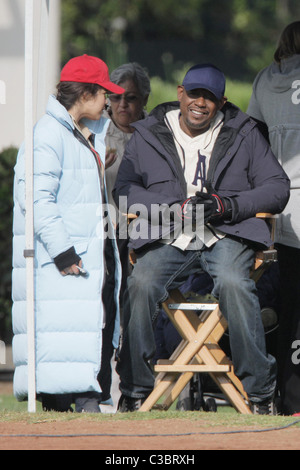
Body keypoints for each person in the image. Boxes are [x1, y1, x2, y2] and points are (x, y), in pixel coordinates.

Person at [113, 63, 290, 415]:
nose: (200, 103)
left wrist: (228, 204)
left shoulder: (244, 131)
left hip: (227, 232)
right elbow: (125, 190)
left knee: (233, 283)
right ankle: (134, 390)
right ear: (180, 93)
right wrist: (171, 208)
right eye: (194, 94)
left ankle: (260, 393)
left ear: (222, 102)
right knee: (142, 282)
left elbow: (277, 188)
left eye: (209, 98)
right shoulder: (148, 133)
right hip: (169, 233)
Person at [12, 55, 124, 413]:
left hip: (81, 256)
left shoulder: (74, 134)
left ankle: (83, 400)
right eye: (105, 93)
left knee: (83, 331)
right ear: (86, 93)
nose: (109, 102)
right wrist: (63, 252)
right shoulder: (48, 134)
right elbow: (37, 200)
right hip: (63, 260)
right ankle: (74, 403)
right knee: (65, 334)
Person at [247, 21, 300, 416]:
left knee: (288, 299)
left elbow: (256, 139)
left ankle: (287, 393)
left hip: (279, 204)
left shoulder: (264, 80)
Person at [99, 63, 151, 407]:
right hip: (104, 234)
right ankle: (98, 387)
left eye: (130, 98)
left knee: (136, 310)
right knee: (103, 311)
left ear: (144, 99)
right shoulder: (95, 133)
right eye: (115, 98)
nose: (122, 106)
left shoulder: (155, 134)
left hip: (143, 234)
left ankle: (133, 389)